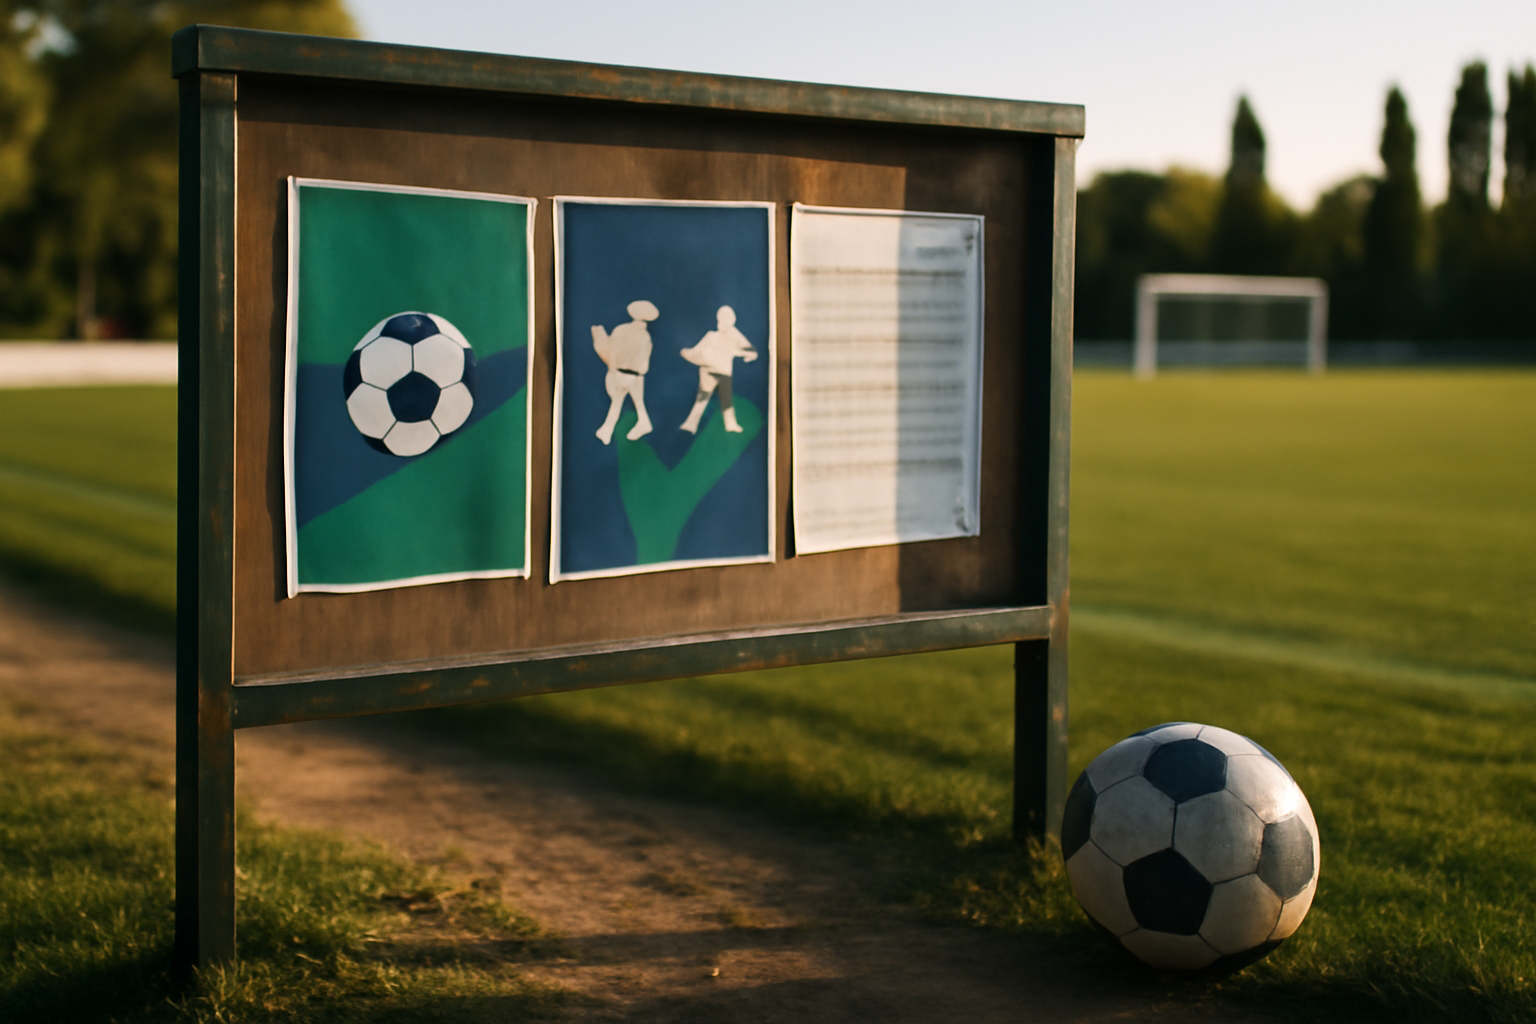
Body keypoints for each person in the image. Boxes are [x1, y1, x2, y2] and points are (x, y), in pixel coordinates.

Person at [679, 305, 757, 434]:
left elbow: (750, 351)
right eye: (722, 318)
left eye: (727, 319)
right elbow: (696, 351)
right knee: (702, 399)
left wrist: (740, 353)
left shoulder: (734, 334)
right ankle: (690, 424)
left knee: (726, 400)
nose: (723, 322)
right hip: (708, 372)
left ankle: (730, 424)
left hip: (724, 373)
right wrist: (686, 353)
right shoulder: (711, 336)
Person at [591, 299, 658, 444]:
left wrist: (613, 370)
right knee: (625, 403)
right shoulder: (645, 336)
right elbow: (644, 361)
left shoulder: (621, 330)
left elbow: (613, 353)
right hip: (636, 377)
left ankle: (612, 429)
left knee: (620, 403)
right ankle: (606, 430)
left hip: (620, 374)